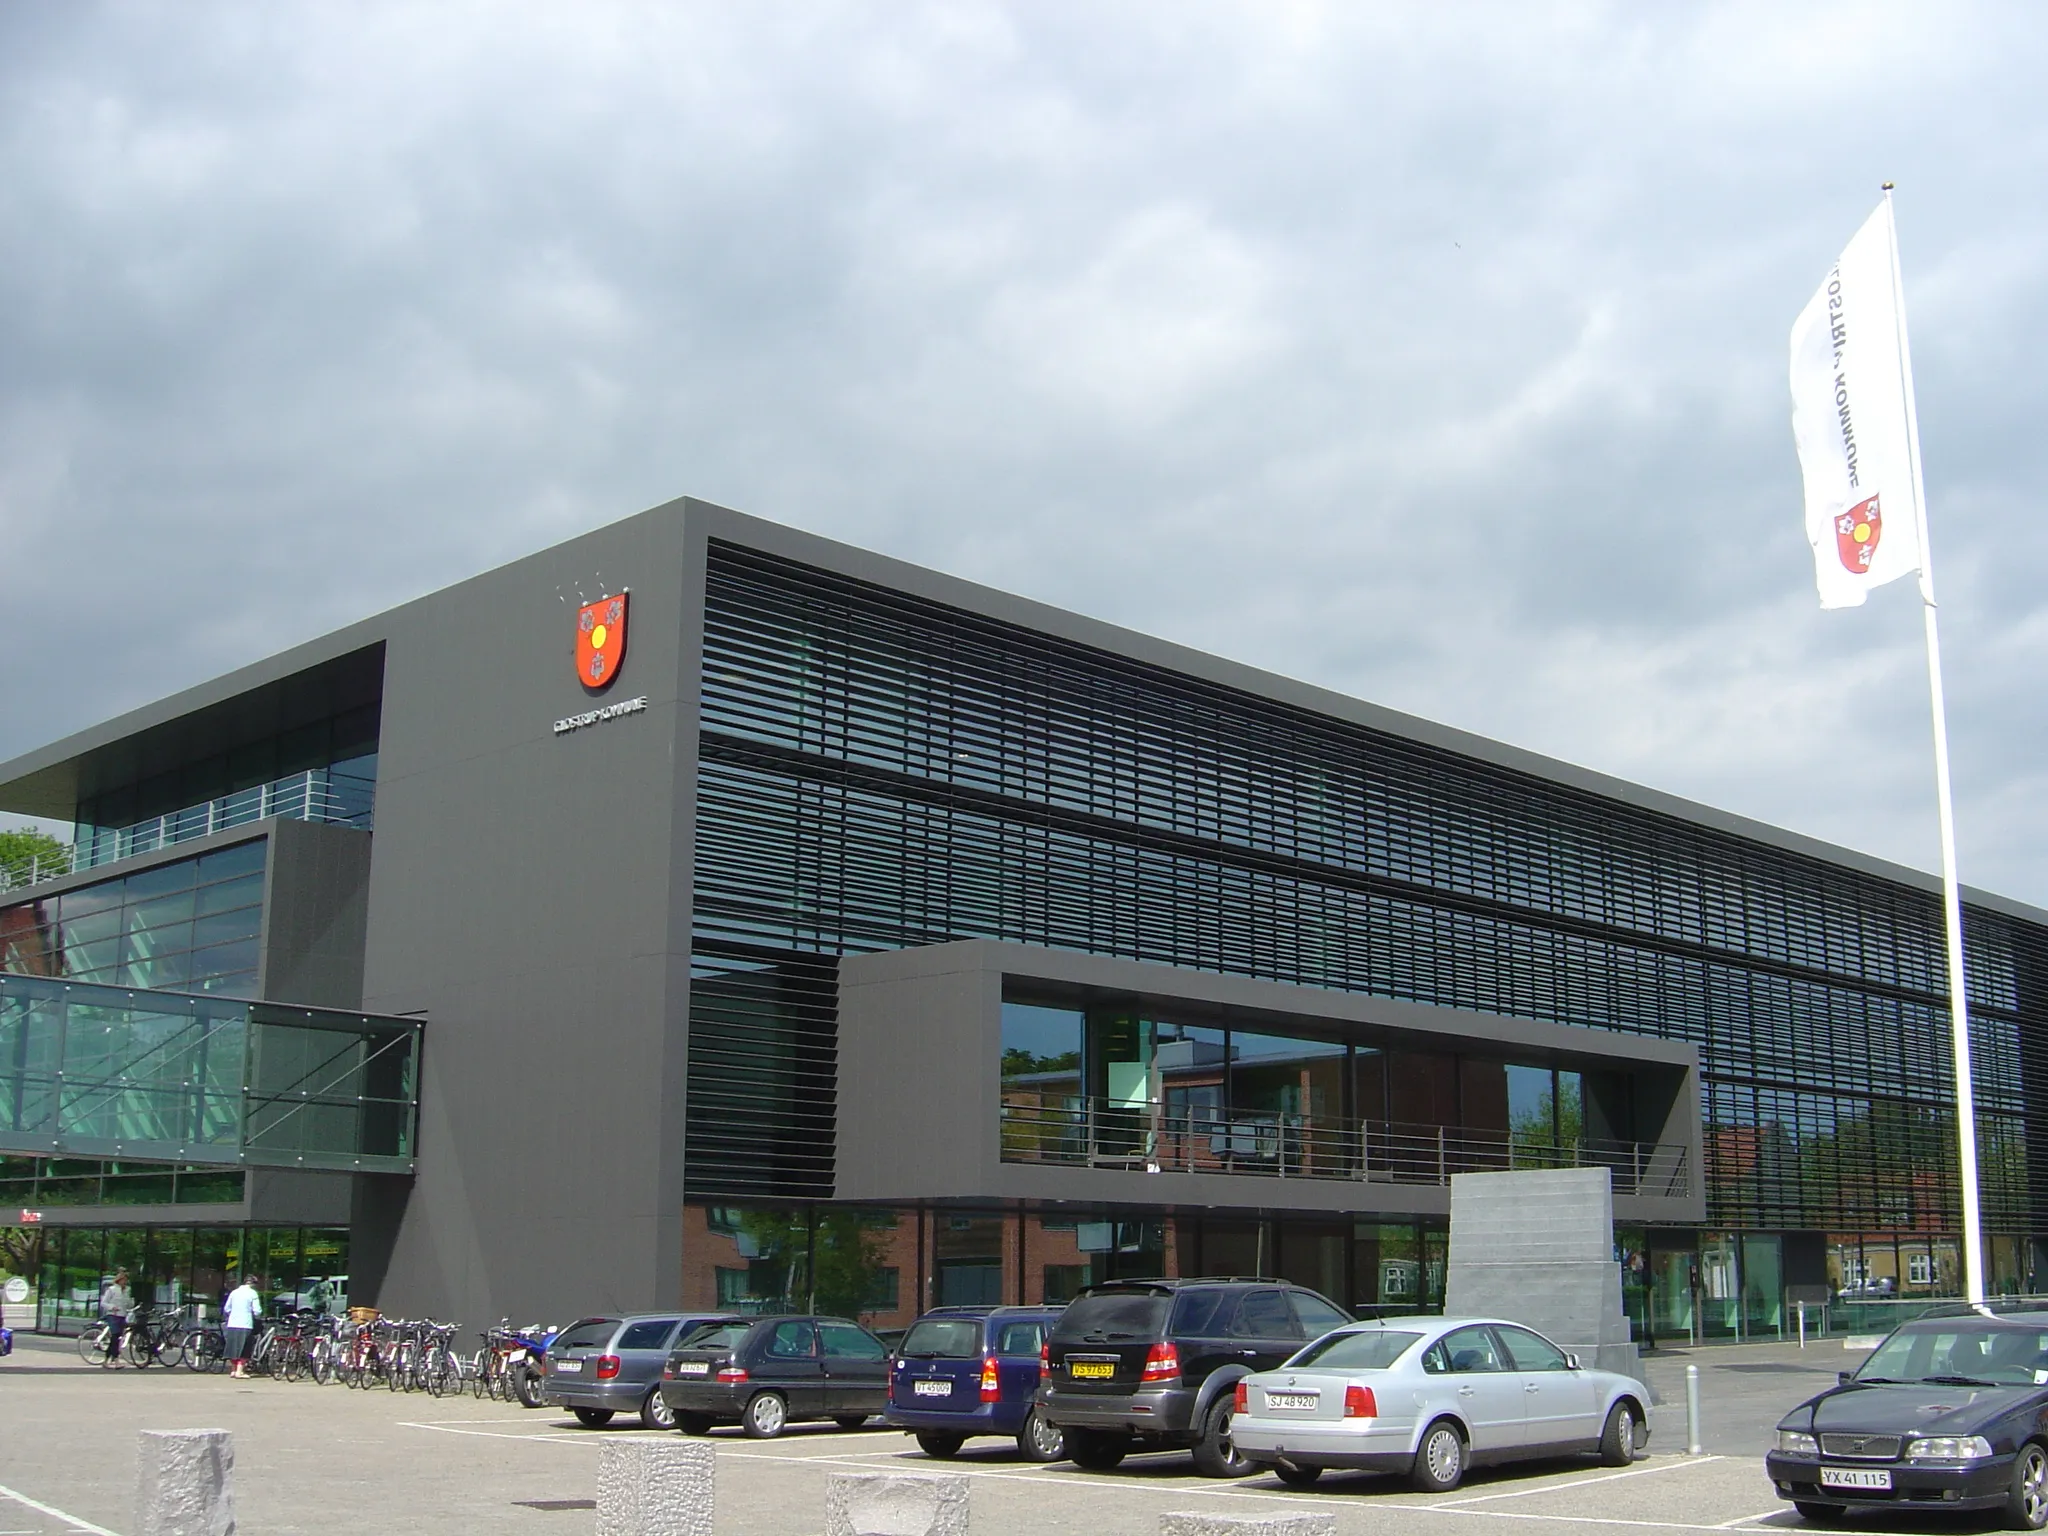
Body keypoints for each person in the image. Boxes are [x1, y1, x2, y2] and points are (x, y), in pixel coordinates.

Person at [223, 1273, 262, 1379]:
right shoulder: (252, 1293)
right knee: (244, 1347)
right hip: (245, 1323)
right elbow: (257, 1311)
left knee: (233, 1347)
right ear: (253, 1284)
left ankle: (233, 1370)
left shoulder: (234, 1293)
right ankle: (240, 1371)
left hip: (232, 1323)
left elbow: (227, 1308)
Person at [98, 1269, 133, 1369]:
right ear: (119, 1280)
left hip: (122, 1315)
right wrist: (112, 1307)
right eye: (123, 1280)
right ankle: (116, 1360)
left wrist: (131, 1302)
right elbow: (103, 1303)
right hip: (113, 1315)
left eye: (126, 1280)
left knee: (116, 1338)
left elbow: (129, 1304)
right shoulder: (112, 1290)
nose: (124, 1282)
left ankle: (106, 1360)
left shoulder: (127, 1290)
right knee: (115, 1336)